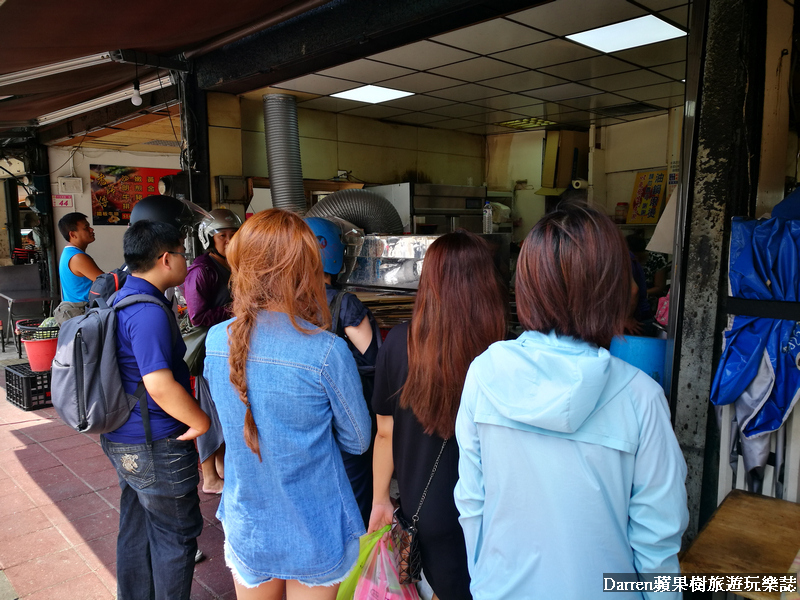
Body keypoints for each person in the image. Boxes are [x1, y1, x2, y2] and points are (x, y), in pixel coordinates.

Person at [454, 205, 688, 600]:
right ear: (613, 288)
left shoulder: (484, 373)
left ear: (527, 285)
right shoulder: (640, 397)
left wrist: (486, 584)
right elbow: (657, 544)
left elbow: (472, 504)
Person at [204, 209, 371, 600]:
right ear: (306, 269)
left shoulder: (215, 340)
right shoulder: (326, 351)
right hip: (315, 525)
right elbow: (359, 440)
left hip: (249, 521)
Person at [368, 231, 507, 600]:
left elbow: (385, 433)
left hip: (423, 508)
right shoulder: (502, 351)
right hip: (487, 510)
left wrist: (381, 498)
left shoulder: (399, 342)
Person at [101, 220, 211, 600]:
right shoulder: (147, 312)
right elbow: (160, 385)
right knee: (174, 538)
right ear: (166, 258)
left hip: (123, 435)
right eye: (183, 253)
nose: (186, 260)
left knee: (136, 528)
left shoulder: (121, 296)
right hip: (155, 443)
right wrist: (201, 421)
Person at [305, 216, 378, 528]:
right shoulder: (344, 304)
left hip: (309, 420)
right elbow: (374, 361)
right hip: (348, 420)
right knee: (355, 498)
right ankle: (356, 571)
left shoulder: (285, 303)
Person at [184, 208, 242, 494]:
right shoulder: (202, 270)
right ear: (209, 238)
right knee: (209, 409)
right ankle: (209, 476)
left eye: (234, 235)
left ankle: (220, 469)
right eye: (223, 236)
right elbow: (197, 316)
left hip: (233, 346)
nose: (229, 240)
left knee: (226, 409)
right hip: (211, 351)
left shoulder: (236, 264)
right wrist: (235, 309)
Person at [57, 212, 103, 302]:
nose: (91, 230)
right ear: (73, 235)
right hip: (82, 311)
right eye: (86, 228)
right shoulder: (78, 257)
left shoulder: (68, 252)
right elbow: (108, 283)